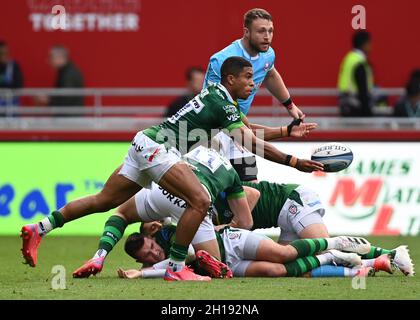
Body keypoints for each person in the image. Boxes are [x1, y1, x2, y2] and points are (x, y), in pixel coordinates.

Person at [21, 57, 323, 282]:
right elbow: (249, 141)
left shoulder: (218, 97)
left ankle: (39, 229)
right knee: (200, 200)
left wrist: (284, 131)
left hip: (144, 143)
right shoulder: (226, 104)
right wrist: (293, 162)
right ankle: (177, 269)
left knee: (103, 201)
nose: (253, 83)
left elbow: (249, 133)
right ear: (230, 79)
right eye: (247, 78)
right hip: (159, 150)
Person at [72, 146, 260, 278]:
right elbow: (246, 223)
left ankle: (100, 256)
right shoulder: (230, 173)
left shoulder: (195, 150)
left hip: (163, 189)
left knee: (120, 213)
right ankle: (170, 269)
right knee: (213, 263)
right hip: (196, 200)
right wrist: (220, 227)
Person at [212, 180, 414, 276]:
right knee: (297, 269)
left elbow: (253, 195)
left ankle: (393, 254)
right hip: (282, 218)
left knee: (323, 247)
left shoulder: (216, 189)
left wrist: (233, 225)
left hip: (290, 202)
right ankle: (374, 263)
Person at [203, 8, 306, 182]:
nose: (267, 36)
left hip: (238, 129)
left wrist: (289, 105)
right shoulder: (221, 60)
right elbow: (214, 102)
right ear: (246, 32)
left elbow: (271, 74)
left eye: (270, 31)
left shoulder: (268, 54)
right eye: (261, 31)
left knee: (252, 188)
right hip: (212, 132)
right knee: (210, 196)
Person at [118, 224, 378, 279]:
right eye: (147, 257)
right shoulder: (153, 266)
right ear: (139, 260)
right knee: (274, 271)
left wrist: (143, 274)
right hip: (228, 265)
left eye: (151, 248)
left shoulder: (170, 234)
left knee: (284, 254)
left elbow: (183, 260)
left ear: (152, 238)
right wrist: (145, 272)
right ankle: (336, 259)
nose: (154, 254)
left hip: (230, 241)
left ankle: (334, 243)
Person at [36, 45, 84, 114]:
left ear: (60, 58)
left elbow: (67, 97)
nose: (49, 61)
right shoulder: (65, 71)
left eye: (51, 57)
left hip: (69, 117)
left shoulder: (69, 74)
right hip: (69, 115)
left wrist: (48, 100)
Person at [337, 30, 374, 117]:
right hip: (355, 107)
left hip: (345, 105)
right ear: (364, 44)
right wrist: (368, 113)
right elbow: (363, 90)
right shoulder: (359, 62)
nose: (371, 47)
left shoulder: (349, 58)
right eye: (369, 43)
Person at [0, 41, 24, 109]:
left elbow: (19, 85)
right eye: (1, 53)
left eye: (6, 53)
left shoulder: (14, 66)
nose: (4, 56)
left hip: (11, 104)